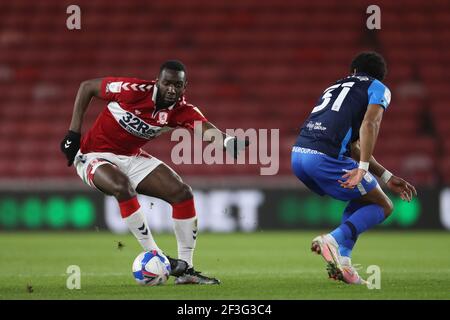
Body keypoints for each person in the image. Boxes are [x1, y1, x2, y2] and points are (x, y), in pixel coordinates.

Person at [60, 60, 248, 285]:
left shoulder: (181, 110)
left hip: (131, 156)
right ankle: (157, 255)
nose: (171, 89)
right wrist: (73, 134)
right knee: (122, 187)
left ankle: (186, 270)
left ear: (184, 86)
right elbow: (87, 87)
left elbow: (204, 128)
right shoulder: (132, 91)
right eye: (167, 83)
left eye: (177, 85)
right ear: (157, 81)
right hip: (93, 154)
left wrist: (226, 141)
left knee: (182, 193)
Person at [291, 52, 417, 284]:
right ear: (380, 76)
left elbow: (352, 146)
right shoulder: (378, 87)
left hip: (299, 156)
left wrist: (386, 176)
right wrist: (362, 168)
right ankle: (332, 240)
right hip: (324, 158)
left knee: (362, 199)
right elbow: (371, 123)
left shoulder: (336, 86)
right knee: (384, 205)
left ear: (354, 70)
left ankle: (345, 265)